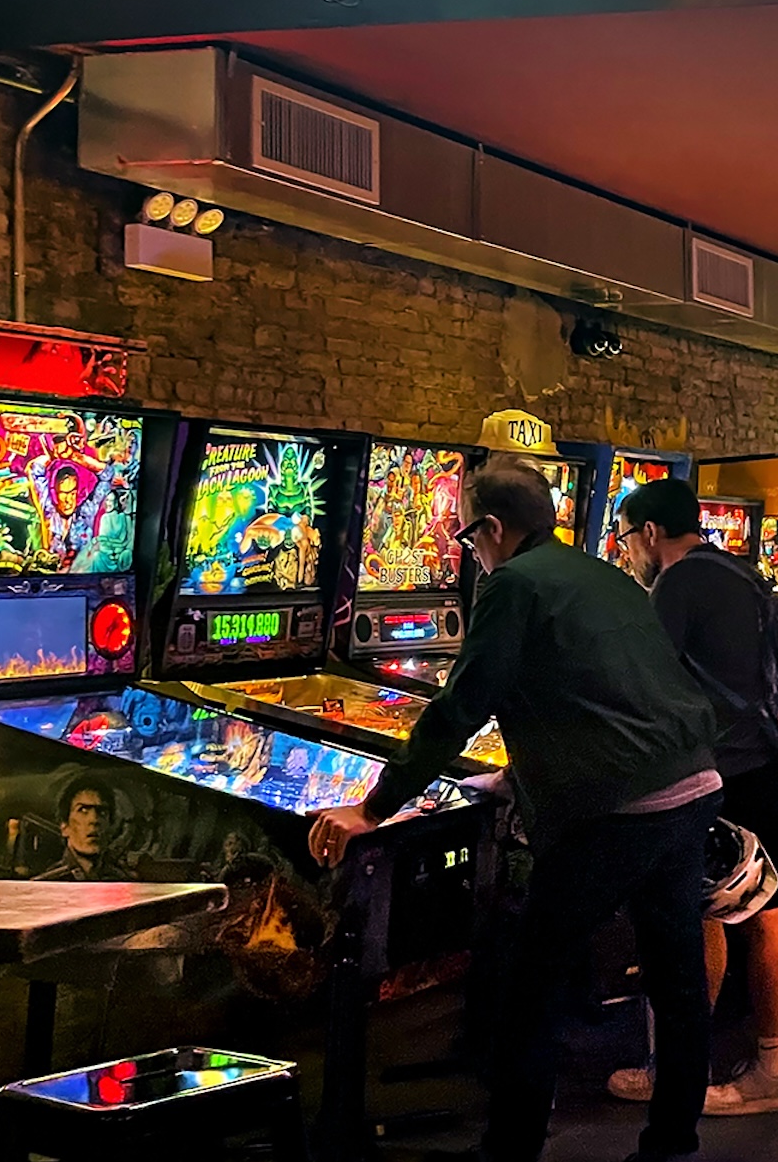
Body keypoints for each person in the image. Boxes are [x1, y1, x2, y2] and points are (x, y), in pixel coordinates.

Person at [308, 456, 722, 1162]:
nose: (471, 549)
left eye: (469, 536)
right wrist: (525, 777)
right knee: (677, 977)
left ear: (494, 527)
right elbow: (608, 691)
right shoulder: (605, 575)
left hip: (617, 809)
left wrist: (374, 807)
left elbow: (461, 704)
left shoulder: (513, 585)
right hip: (689, 785)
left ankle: (511, 1147)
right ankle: (672, 1140)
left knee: (530, 984)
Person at [609, 476, 778, 1116]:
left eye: (624, 538)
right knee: (724, 910)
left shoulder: (680, 581)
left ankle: (772, 1072)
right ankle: (684, 1065)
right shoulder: (736, 570)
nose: (626, 553)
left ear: (647, 532)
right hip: (765, 761)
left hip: (732, 770)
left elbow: (646, 682)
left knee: (742, 911)